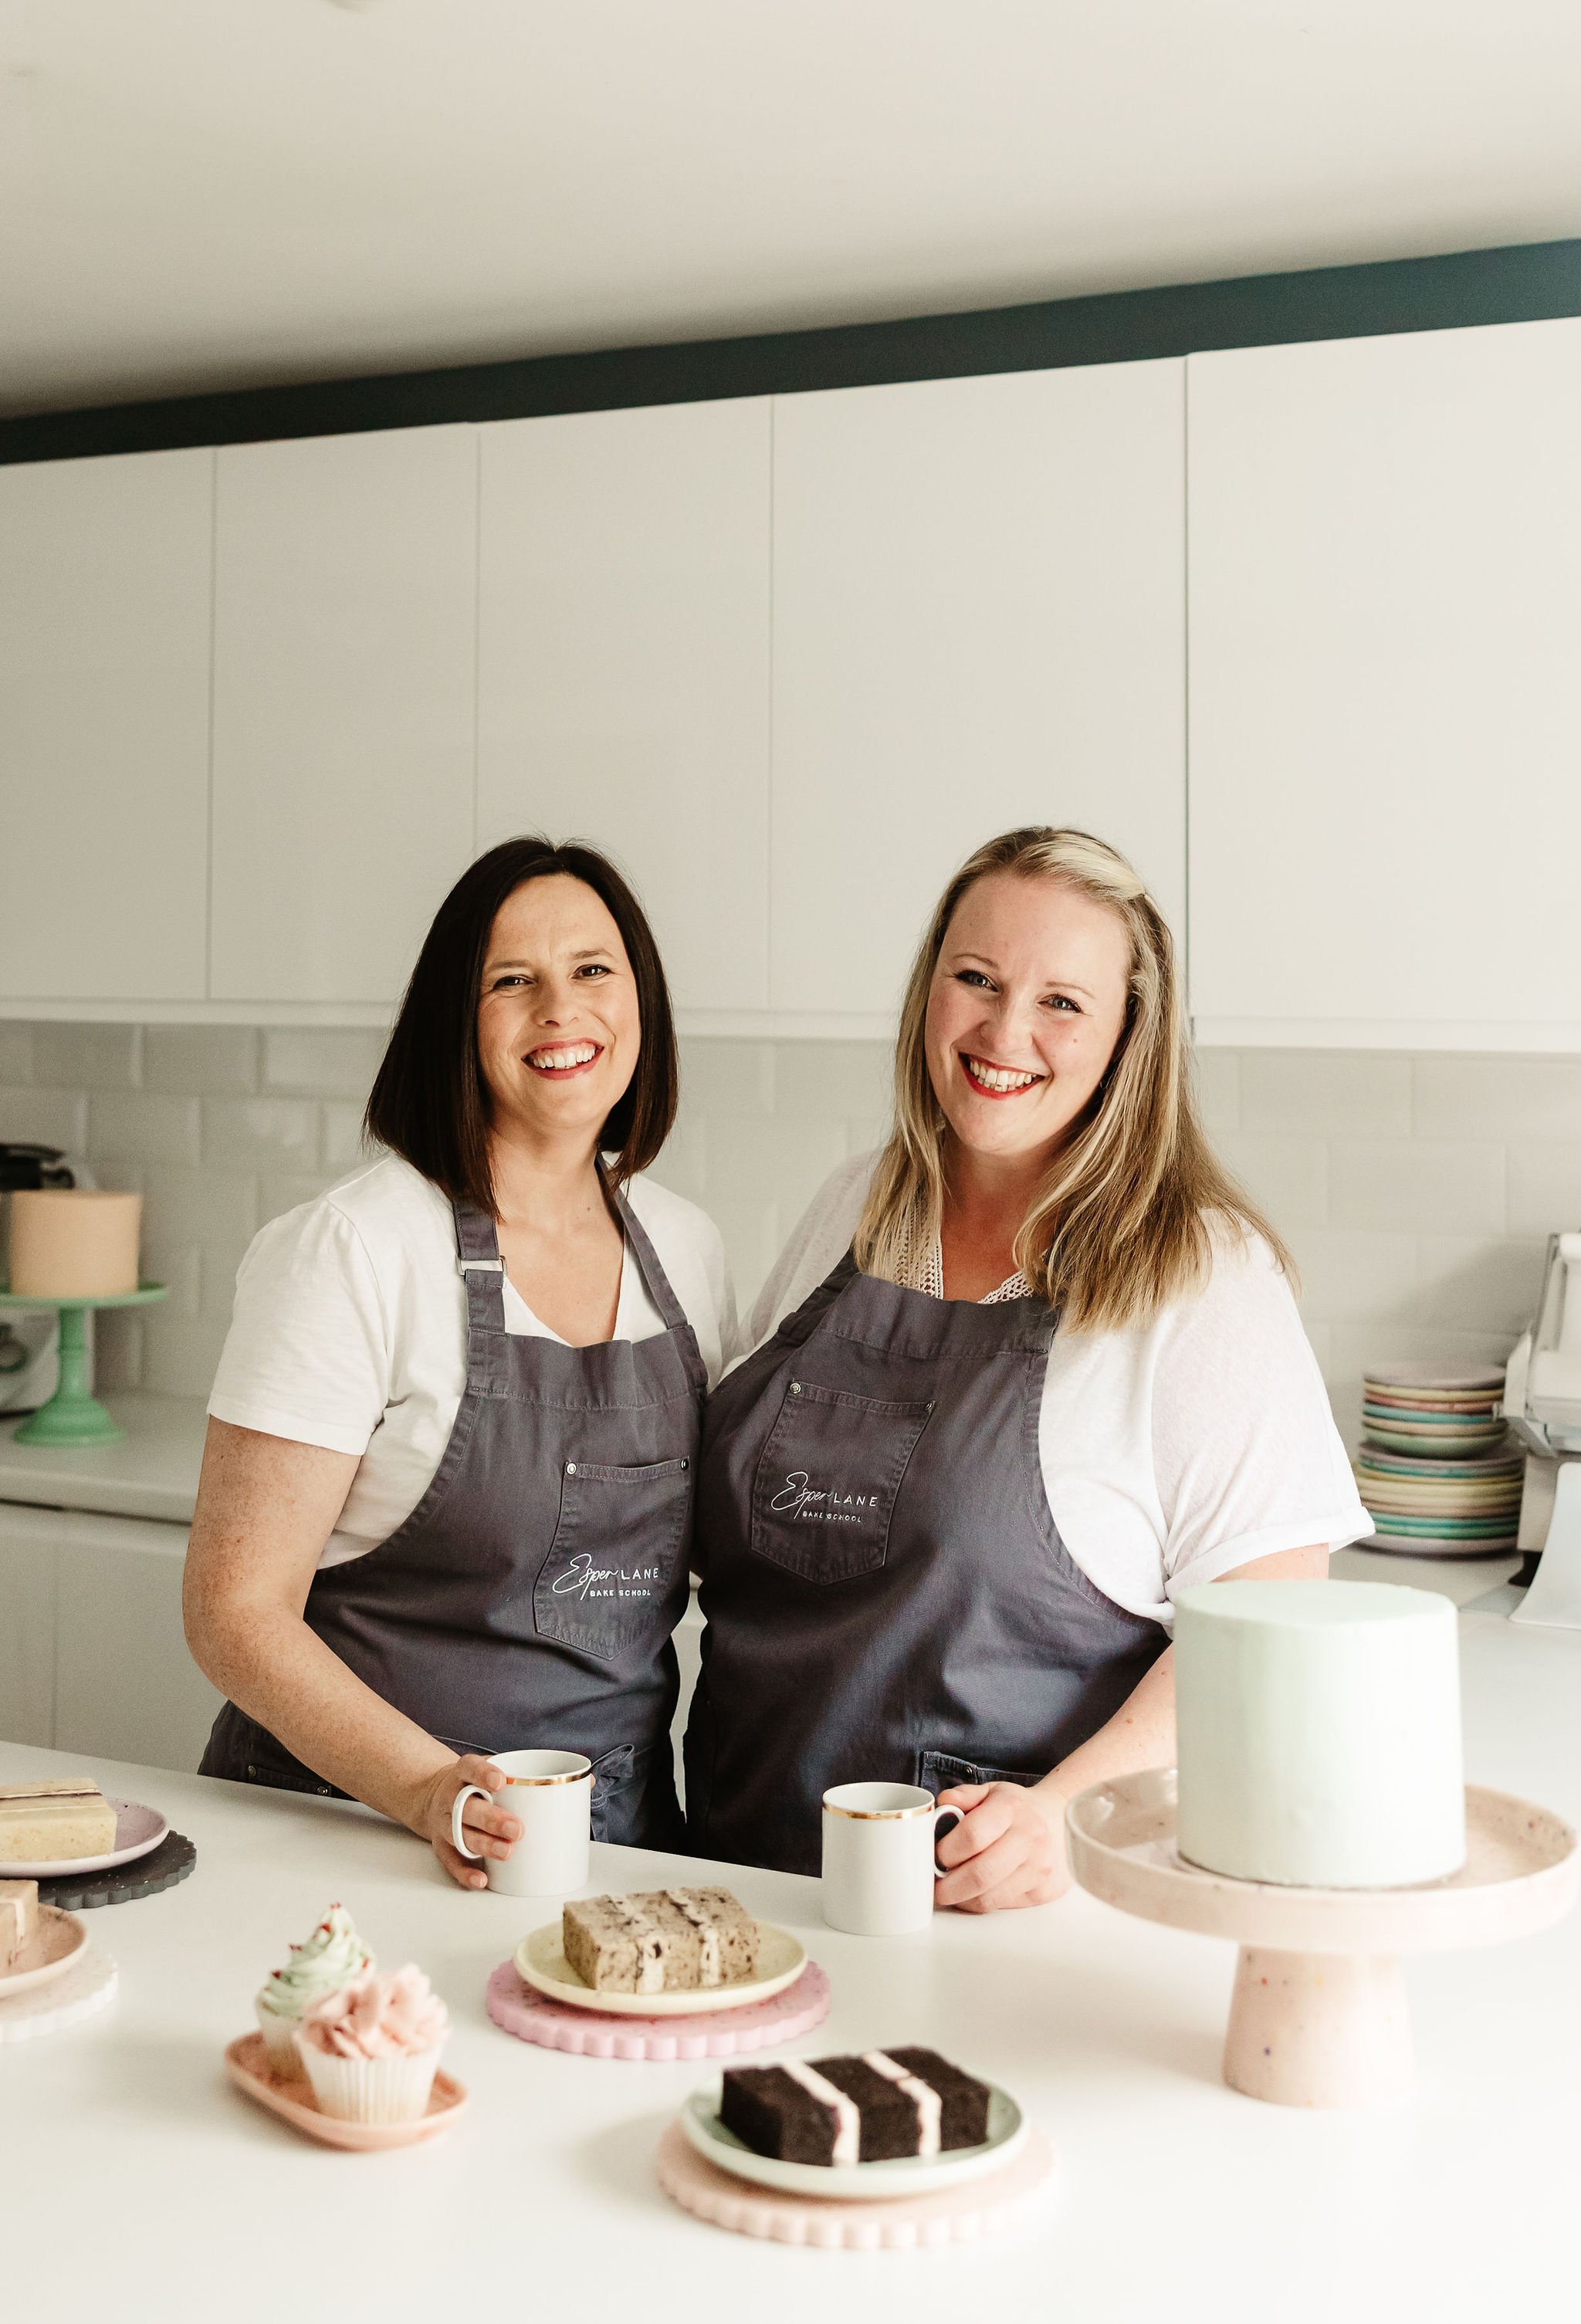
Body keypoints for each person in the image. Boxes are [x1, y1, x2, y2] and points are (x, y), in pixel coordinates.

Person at [685, 826, 1369, 1904]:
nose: (1005, 1032)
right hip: (739, 1887)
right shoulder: (853, 1206)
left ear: (1130, 1036)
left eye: (1062, 1001)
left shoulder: (1203, 1275)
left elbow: (1269, 1626)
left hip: (985, 1915)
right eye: (977, 979)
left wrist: (1058, 1816)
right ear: (927, 990)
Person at [186, 837, 734, 1887]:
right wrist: (430, 1790)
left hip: (609, 1837)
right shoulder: (353, 1249)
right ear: (456, 1018)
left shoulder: (688, 1249)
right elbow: (232, 1611)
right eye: (511, 981)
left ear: (641, 1000)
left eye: (592, 970)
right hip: (351, 1834)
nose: (561, 1010)